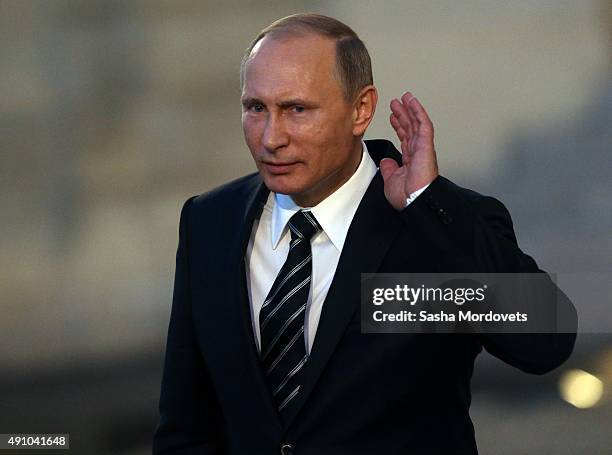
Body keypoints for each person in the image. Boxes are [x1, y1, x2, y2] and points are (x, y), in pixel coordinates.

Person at [153, 13, 576, 455]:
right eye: (256, 108)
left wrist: (428, 203)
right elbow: (185, 427)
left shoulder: (437, 224)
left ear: (361, 110)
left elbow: (546, 343)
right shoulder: (209, 222)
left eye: (297, 109)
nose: (271, 137)